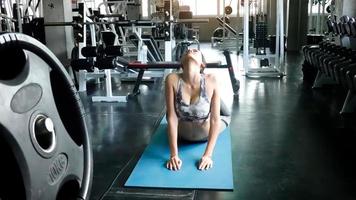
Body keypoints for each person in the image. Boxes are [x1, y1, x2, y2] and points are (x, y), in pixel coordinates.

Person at [165, 48, 231, 171]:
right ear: (181, 62)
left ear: (202, 64)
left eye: (195, 50)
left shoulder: (211, 79)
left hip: (204, 135)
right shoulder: (172, 79)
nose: (190, 50)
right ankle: (209, 99)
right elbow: (171, 117)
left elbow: (215, 120)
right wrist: (174, 155)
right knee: (169, 112)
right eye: (186, 51)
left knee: (226, 115)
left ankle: (213, 99)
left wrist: (208, 155)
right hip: (182, 136)